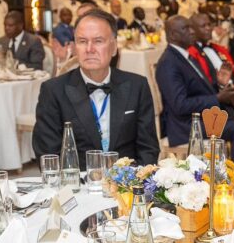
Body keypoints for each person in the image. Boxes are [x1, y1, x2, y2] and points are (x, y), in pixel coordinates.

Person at [32, 10, 159, 165]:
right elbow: (48, 154)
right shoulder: (53, 91)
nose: (89, 49)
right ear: (75, 47)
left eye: (98, 41)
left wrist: (134, 184)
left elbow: (148, 149)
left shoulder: (137, 86)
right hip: (77, 185)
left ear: (113, 47)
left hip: (127, 184)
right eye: (82, 41)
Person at [155, 15, 234, 164]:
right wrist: (218, 98)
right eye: (185, 28)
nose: (192, 31)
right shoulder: (168, 63)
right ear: (173, 35)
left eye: (191, 27)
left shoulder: (186, 56)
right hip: (188, 126)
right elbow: (180, 105)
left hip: (202, 117)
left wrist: (220, 84)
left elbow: (199, 91)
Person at [187, 12, 234, 91]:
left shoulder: (221, 49)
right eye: (203, 26)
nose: (208, 28)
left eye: (209, 24)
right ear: (192, 30)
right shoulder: (191, 54)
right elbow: (202, 86)